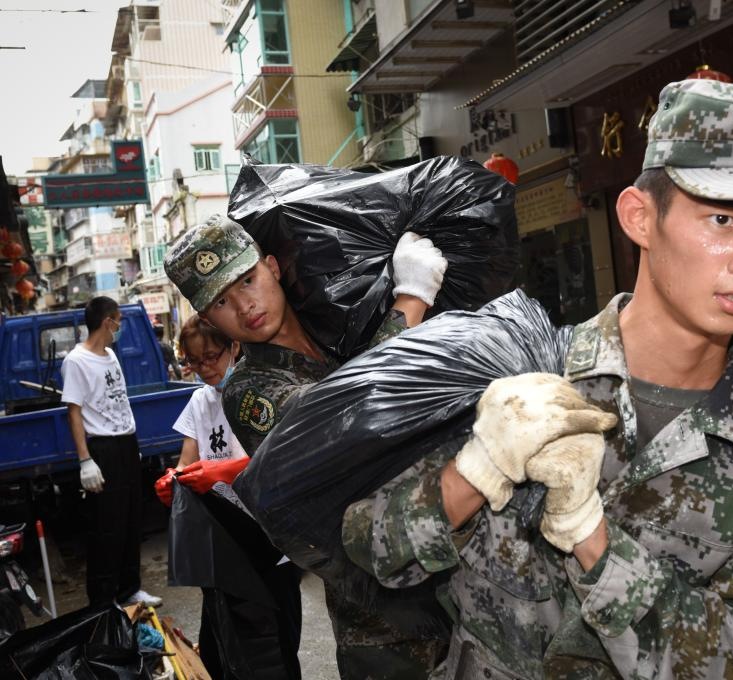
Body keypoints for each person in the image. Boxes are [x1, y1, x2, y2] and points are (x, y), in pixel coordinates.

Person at [341, 79, 733, 678]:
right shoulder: (516, 370)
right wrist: (475, 471)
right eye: (722, 218)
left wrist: (592, 539)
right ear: (640, 218)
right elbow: (373, 551)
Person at [164, 215, 451, 678]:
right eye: (221, 301)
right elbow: (348, 427)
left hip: (454, 570)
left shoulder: (339, 330)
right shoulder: (251, 391)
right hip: (388, 618)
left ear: (273, 267)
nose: (245, 306)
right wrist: (411, 299)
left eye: (247, 280)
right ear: (208, 317)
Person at [155, 315, 301, 679]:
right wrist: (172, 479)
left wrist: (224, 471)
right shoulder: (198, 402)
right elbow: (187, 460)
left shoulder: (258, 394)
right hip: (221, 540)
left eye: (211, 357)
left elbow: (280, 458)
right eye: (194, 361)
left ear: (233, 347)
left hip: (265, 536)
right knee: (224, 639)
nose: (204, 368)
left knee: (276, 641)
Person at [60, 296, 162, 608]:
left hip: (126, 444)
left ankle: (129, 588)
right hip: (102, 448)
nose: (119, 326)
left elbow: (119, 401)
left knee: (132, 519)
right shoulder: (76, 361)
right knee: (107, 525)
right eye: (118, 320)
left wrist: (133, 443)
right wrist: (85, 460)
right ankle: (103, 600)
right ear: (108, 322)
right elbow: (74, 412)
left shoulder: (110, 355)